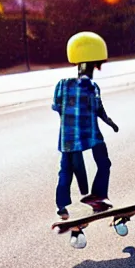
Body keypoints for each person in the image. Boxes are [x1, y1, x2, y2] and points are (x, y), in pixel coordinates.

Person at [53, 31, 119, 223]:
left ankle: (62, 207)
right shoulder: (92, 87)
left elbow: (58, 107)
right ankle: (97, 196)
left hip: (70, 136)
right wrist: (109, 122)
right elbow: (99, 110)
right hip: (90, 134)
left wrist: (109, 123)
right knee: (103, 163)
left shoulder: (62, 85)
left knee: (66, 170)